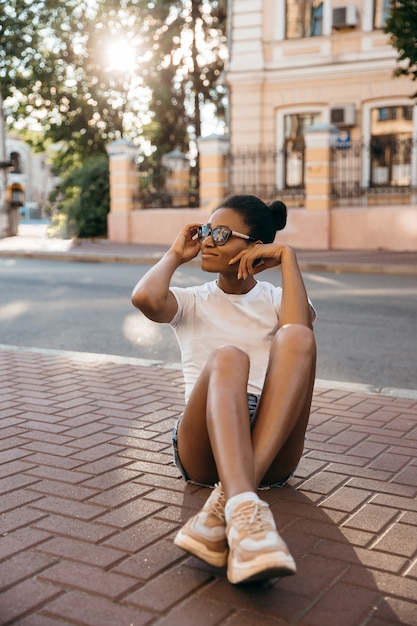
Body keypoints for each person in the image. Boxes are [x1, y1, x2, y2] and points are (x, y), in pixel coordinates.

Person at [131, 194, 316, 585]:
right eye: (206, 231)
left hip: (269, 436)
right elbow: (145, 299)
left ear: (255, 247)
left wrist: (288, 259)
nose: (208, 241)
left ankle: (225, 505)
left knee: (297, 336)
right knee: (228, 356)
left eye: (221, 233)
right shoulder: (193, 301)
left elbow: (302, 332)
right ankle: (246, 509)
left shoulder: (277, 299)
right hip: (203, 438)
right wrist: (175, 254)